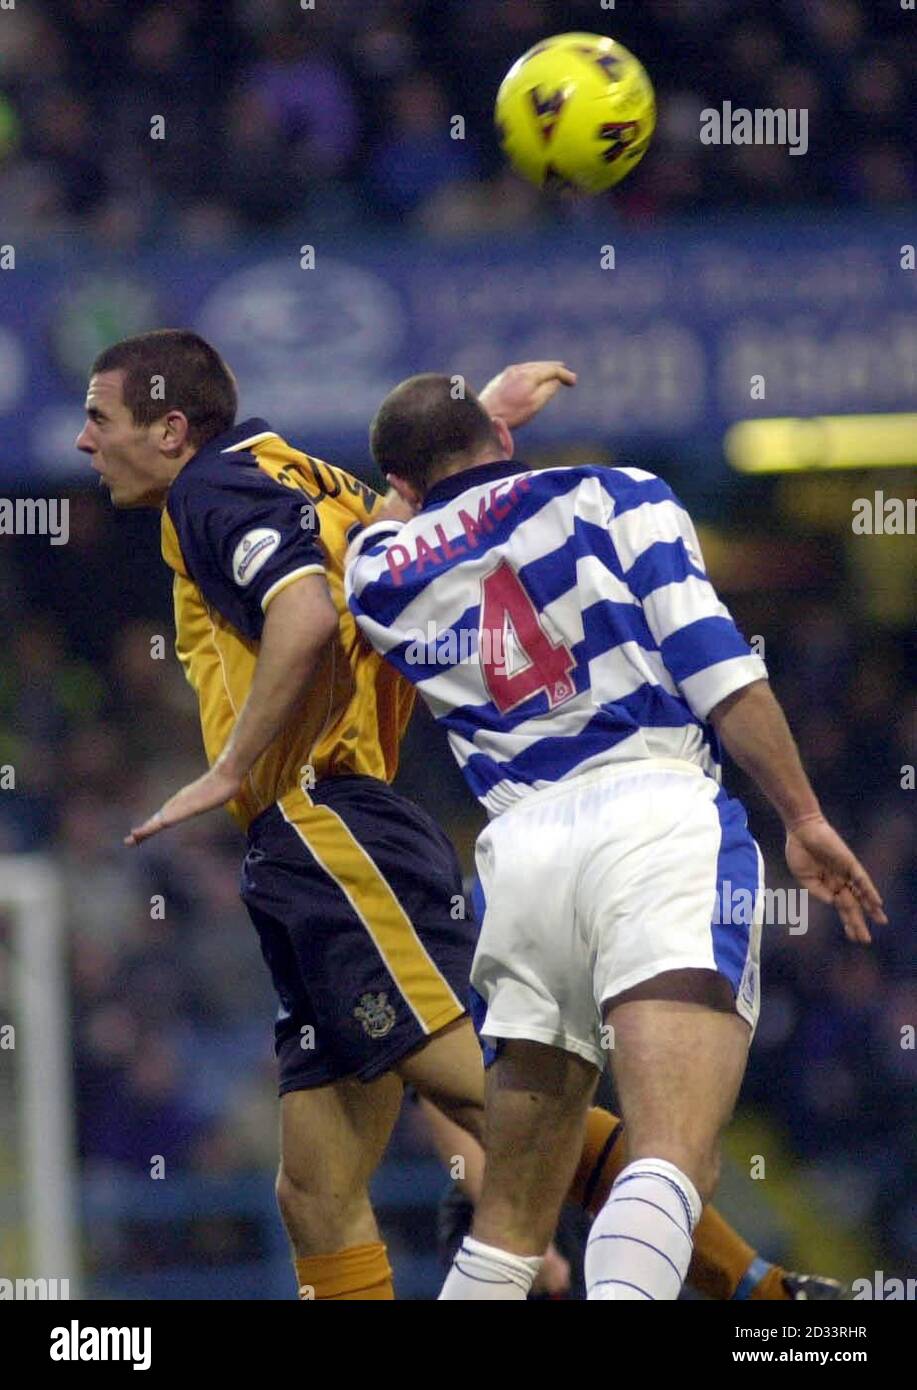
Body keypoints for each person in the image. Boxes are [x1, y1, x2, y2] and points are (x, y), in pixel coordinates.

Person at [344, 372, 887, 1301]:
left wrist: (451, 455)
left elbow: (415, 511)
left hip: (518, 854)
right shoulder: (619, 494)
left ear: (402, 477)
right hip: (652, 815)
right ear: (502, 437)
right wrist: (802, 814)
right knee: (671, 1158)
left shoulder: (380, 572)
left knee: (509, 1221)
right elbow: (718, 668)